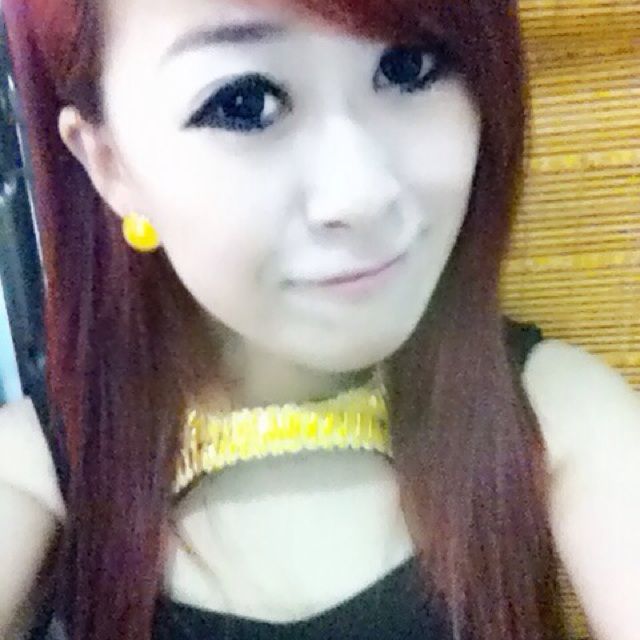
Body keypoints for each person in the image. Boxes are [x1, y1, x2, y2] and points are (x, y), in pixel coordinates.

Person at [0, 0, 639, 639]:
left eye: (409, 67)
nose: (363, 196)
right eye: (245, 104)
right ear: (109, 163)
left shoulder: (560, 418)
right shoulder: (32, 475)